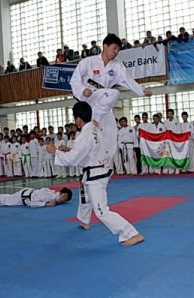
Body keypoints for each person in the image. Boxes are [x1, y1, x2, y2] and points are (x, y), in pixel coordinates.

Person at [48, 102, 145, 246]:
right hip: (97, 171)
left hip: (96, 176)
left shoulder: (85, 135)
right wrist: (68, 150)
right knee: (86, 198)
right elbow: (88, 152)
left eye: (75, 118)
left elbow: (73, 160)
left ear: (78, 119)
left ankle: (132, 233)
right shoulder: (95, 129)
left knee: (101, 211)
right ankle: (84, 221)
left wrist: (55, 151)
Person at [70, 33, 152, 167]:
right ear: (105, 46)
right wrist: (82, 90)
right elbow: (75, 79)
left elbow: (128, 81)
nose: (116, 52)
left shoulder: (117, 67)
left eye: (118, 50)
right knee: (114, 93)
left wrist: (142, 91)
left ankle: (101, 164)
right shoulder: (88, 62)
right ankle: (94, 121)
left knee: (112, 133)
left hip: (103, 102)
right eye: (114, 48)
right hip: (88, 99)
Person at [0, 187, 72, 207]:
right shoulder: (50, 196)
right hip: (24, 197)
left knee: (8, 197)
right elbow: (32, 203)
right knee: (5, 201)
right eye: (64, 196)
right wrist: (45, 204)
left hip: (26, 193)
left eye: (65, 199)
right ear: (60, 192)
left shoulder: (54, 195)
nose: (63, 199)